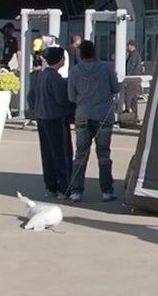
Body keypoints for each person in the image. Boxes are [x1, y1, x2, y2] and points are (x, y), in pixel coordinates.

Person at [67, 40, 121, 202]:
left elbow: (70, 96)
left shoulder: (75, 71)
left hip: (83, 114)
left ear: (80, 54)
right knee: (104, 154)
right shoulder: (106, 68)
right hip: (104, 115)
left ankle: (76, 191)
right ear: (94, 52)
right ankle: (106, 190)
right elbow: (116, 88)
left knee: (81, 154)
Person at [33, 47, 73, 199]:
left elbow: (32, 96)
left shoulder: (41, 75)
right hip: (56, 118)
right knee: (61, 154)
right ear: (60, 60)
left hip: (42, 118)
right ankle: (64, 187)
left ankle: (50, 186)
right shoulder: (56, 78)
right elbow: (61, 99)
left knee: (47, 154)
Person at [124, 40, 143, 115]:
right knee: (134, 99)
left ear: (132, 46)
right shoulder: (137, 55)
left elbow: (131, 66)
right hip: (136, 81)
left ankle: (127, 114)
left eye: (128, 46)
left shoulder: (133, 55)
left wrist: (127, 77)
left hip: (131, 80)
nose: (127, 47)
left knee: (129, 97)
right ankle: (135, 116)